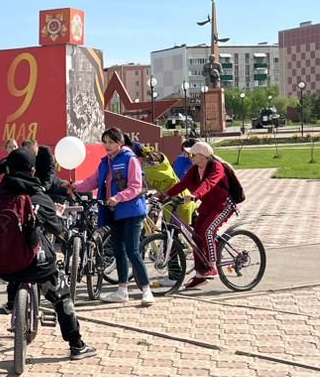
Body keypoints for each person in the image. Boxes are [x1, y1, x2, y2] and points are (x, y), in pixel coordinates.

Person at [0, 149, 95, 358]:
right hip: (37, 264)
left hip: (1, 264)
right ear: (32, 170)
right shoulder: (39, 196)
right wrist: (60, 222)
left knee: (16, 272)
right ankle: (76, 344)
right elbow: (57, 229)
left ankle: (11, 302)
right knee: (61, 297)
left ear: (8, 169)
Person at [86, 128, 152, 305]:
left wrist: (117, 197)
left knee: (133, 251)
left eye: (111, 142)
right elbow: (92, 181)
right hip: (113, 212)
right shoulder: (105, 162)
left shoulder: (130, 159)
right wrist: (71, 186)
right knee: (118, 252)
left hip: (131, 211)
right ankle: (122, 290)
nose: (107, 145)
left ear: (120, 143)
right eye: (105, 142)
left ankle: (146, 289)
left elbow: (136, 187)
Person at [165, 140, 237, 289]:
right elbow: (181, 184)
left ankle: (212, 266)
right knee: (196, 236)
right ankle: (200, 273)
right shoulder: (195, 169)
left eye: (192, 154)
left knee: (207, 231)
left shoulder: (216, 167)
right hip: (208, 206)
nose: (189, 156)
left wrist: (195, 195)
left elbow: (209, 183)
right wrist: (162, 196)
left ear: (203, 156)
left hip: (223, 205)